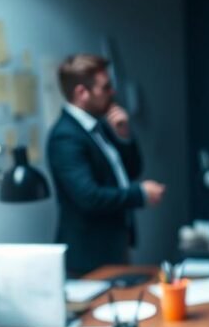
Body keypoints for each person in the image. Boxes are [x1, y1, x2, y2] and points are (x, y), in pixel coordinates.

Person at [46, 54, 165, 276]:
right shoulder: (65, 137)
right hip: (89, 257)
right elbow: (89, 197)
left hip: (116, 246)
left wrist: (124, 136)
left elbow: (130, 172)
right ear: (82, 93)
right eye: (106, 87)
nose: (113, 92)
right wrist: (140, 195)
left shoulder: (99, 125)